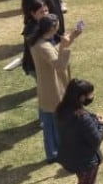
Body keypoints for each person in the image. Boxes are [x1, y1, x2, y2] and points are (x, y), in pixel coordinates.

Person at [28, 15, 82, 163]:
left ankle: (53, 154)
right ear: (53, 28)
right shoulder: (43, 46)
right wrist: (65, 46)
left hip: (47, 89)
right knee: (58, 124)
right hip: (53, 90)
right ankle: (57, 153)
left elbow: (55, 52)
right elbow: (59, 65)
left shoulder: (39, 42)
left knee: (50, 124)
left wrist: (71, 38)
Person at [55, 78, 103, 184]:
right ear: (81, 97)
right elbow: (96, 139)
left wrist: (92, 119)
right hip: (86, 160)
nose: (91, 97)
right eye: (90, 95)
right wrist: (102, 124)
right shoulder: (81, 117)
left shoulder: (61, 109)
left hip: (71, 157)